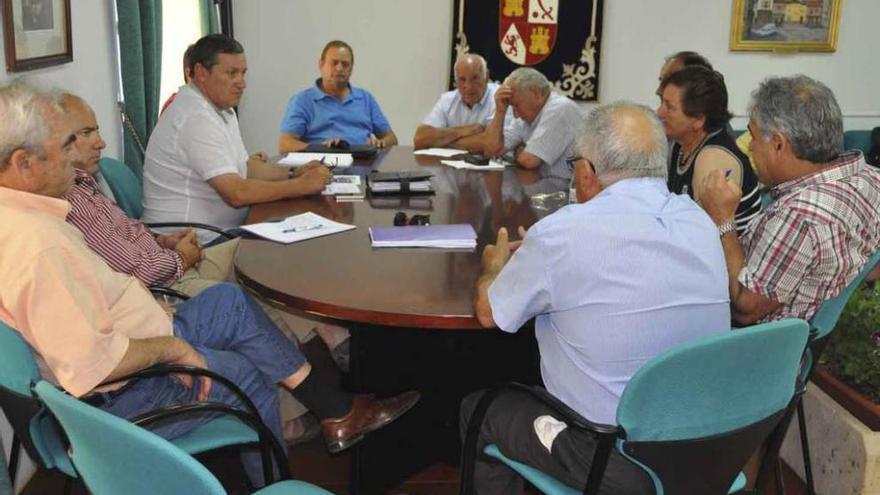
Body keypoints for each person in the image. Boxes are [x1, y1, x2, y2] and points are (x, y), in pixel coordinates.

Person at [0, 81, 419, 485]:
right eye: (64, 147)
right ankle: (273, 484)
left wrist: (148, 311)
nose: (75, 156)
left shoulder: (27, 216)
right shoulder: (39, 245)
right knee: (248, 374)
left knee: (227, 301)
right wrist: (175, 347)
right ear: (23, 163)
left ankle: (337, 411)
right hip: (123, 395)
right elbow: (95, 365)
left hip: (140, 332)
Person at [462, 102, 731, 494]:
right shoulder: (699, 221)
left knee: (479, 410)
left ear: (586, 172)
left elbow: (489, 312)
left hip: (614, 458)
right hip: (707, 449)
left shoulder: (563, 232)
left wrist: (495, 265)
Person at [701, 75, 880, 325]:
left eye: (753, 136)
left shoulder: (798, 215)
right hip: (828, 341)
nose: (750, 147)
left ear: (778, 145)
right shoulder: (872, 178)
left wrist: (723, 219)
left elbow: (744, 309)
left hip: (763, 352)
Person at [142, 34, 332, 243]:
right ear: (201, 73)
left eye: (243, 73)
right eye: (232, 73)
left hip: (221, 231)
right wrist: (301, 186)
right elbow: (236, 193)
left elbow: (245, 167)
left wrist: (295, 172)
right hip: (194, 242)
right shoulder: (194, 117)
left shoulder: (222, 110)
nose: (241, 83)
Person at [657, 66, 761, 234]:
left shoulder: (713, 158)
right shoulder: (680, 144)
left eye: (669, 107)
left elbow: (701, 238)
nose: (659, 112)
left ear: (698, 120)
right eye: (661, 102)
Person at [278, 40, 398, 152]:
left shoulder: (365, 99)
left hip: (364, 165)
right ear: (321, 65)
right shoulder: (303, 101)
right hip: (323, 167)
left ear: (351, 69)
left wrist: (380, 143)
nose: (339, 68)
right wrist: (320, 148)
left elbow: (391, 139)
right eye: (334, 63)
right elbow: (285, 144)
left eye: (345, 64)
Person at [482, 68, 582, 181]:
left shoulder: (560, 108)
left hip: (571, 192)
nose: (515, 115)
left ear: (536, 93)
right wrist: (500, 112)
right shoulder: (526, 117)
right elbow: (490, 151)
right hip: (545, 186)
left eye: (516, 105)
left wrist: (519, 149)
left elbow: (528, 161)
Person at [413, 54, 507, 151]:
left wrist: (442, 142)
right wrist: (466, 130)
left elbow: (491, 144)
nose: (468, 86)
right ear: (456, 82)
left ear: (486, 77)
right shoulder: (447, 100)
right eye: (462, 79)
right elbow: (420, 138)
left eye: (475, 78)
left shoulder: (499, 99)